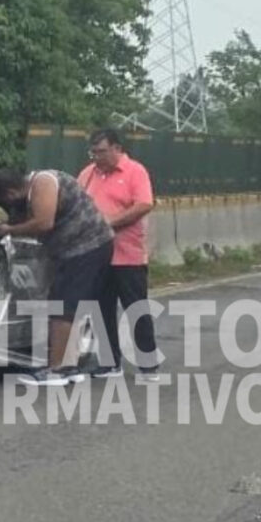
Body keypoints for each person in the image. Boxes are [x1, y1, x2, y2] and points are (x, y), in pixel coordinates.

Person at [0, 168, 115, 386]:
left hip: (85, 247)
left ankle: (57, 370)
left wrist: (9, 229)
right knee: (68, 305)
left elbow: (44, 222)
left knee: (63, 306)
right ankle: (69, 367)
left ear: (9, 192)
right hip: (86, 246)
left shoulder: (42, 184)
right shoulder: (36, 186)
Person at [78, 129, 160, 380]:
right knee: (101, 308)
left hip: (127, 254)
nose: (97, 157)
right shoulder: (88, 174)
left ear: (117, 148)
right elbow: (76, 200)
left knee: (135, 308)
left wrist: (110, 222)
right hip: (97, 254)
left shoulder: (135, 171)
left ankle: (148, 364)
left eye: (101, 151)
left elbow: (144, 204)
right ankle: (110, 362)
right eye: (93, 152)